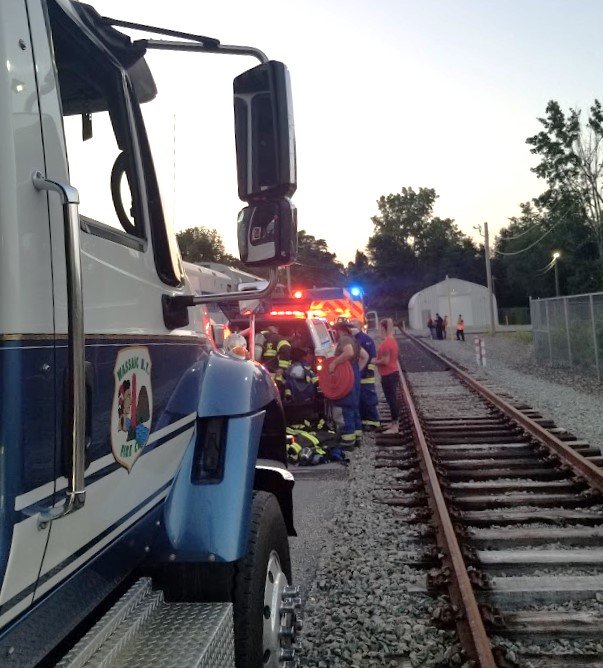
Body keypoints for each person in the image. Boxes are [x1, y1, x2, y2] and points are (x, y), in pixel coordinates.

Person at [328, 322, 368, 447]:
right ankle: (356, 436)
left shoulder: (344, 339)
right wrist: (357, 371)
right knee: (354, 406)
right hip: (353, 372)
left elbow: (349, 353)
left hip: (346, 375)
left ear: (339, 331)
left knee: (346, 406)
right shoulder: (353, 340)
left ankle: (348, 440)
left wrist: (334, 363)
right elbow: (365, 356)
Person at [350, 319, 381, 431]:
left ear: (359, 326)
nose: (351, 328)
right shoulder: (353, 339)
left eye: (353, 325)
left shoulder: (366, 340)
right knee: (360, 400)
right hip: (357, 375)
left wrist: (369, 371)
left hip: (366, 375)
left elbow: (372, 358)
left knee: (369, 399)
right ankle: (364, 421)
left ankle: (374, 422)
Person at [374, 317, 400, 434]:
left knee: (392, 400)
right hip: (392, 373)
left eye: (380, 327)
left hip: (388, 374)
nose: (379, 330)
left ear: (383, 328)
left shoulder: (386, 343)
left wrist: (373, 361)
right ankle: (393, 422)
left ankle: (395, 426)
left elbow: (385, 361)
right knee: (391, 399)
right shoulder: (392, 340)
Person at [259, 325, 291, 394]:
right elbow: (286, 348)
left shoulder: (258, 339)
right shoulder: (278, 338)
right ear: (275, 330)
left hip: (259, 373)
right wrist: (282, 368)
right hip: (274, 373)